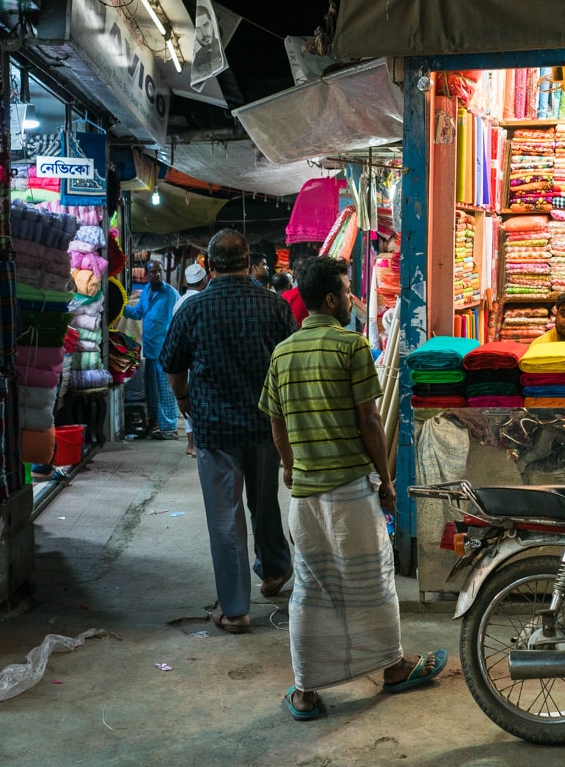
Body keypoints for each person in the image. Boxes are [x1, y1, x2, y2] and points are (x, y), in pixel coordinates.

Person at [259, 255, 447, 720]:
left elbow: (276, 422)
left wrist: (289, 466)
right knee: (373, 581)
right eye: (346, 291)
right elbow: (368, 420)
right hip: (348, 492)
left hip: (305, 497)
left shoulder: (283, 352)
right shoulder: (352, 347)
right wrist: (386, 481)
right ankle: (394, 667)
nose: (351, 299)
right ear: (330, 298)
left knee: (310, 587)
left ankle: (305, 692)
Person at [160, 230, 297, 635]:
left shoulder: (193, 309)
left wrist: (184, 398)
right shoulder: (274, 306)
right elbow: (290, 359)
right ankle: (274, 571)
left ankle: (236, 610)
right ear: (249, 260)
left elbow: (172, 364)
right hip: (265, 423)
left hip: (216, 427)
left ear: (210, 266)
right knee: (265, 501)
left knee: (225, 516)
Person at [126, 260, 179, 440]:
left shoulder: (170, 293)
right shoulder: (146, 291)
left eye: (160, 271)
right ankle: (155, 422)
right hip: (149, 350)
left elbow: (175, 322)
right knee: (152, 391)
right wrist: (119, 307)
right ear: (147, 275)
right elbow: (138, 313)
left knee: (165, 390)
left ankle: (169, 427)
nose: (157, 274)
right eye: (153, 272)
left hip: (164, 350)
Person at [174, 260, 208, 457]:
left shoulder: (179, 301)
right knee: (197, 399)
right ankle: (196, 444)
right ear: (204, 279)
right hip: (198, 358)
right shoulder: (203, 302)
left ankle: (191, 444)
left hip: (182, 358)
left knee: (185, 400)